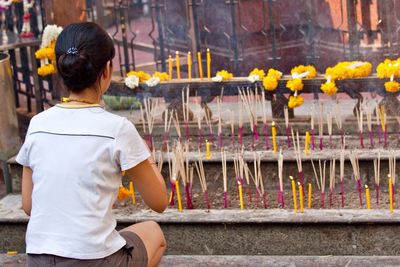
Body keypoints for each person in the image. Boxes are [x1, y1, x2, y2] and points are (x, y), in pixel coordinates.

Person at [16, 22, 168, 267]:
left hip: (38, 260)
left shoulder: (37, 124)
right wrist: (143, 151)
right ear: (107, 70)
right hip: (95, 261)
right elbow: (159, 202)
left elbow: (28, 205)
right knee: (154, 232)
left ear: (60, 68)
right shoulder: (118, 129)